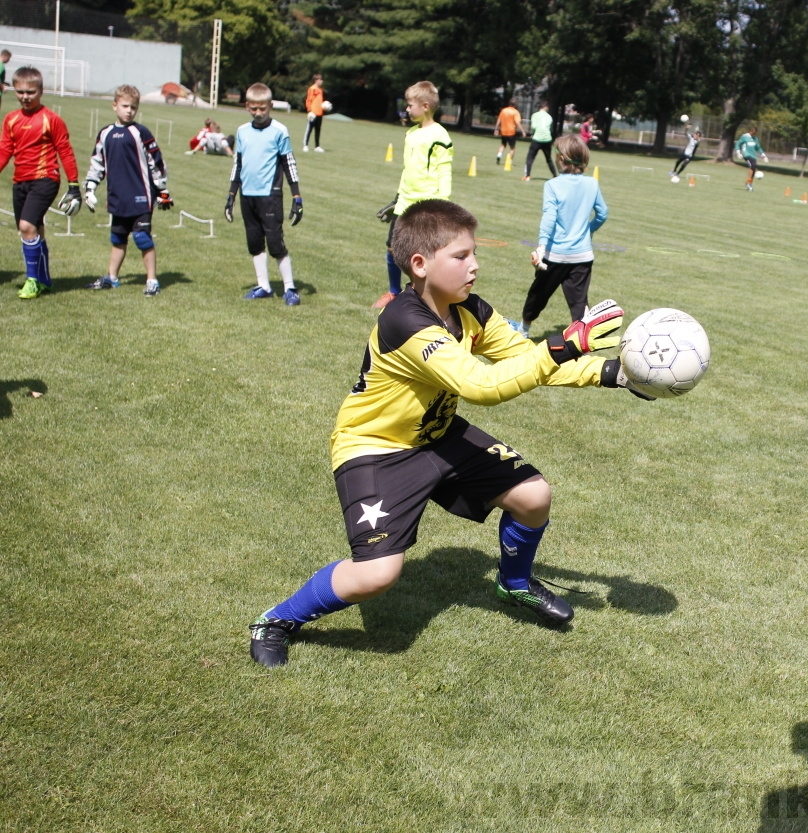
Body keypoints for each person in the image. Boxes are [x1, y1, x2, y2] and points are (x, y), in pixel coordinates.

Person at [247, 199, 654, 667]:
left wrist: (610, 373)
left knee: (533, 495)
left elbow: (524, 359)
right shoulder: (404, 321)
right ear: (419, 265)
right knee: (377, 574)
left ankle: (515, 583)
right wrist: (562, 345)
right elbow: (481, 385)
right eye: (461, 256)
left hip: (437, 434)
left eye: (473, 253)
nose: (475, 265)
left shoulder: (470, 310)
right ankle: (275, 620)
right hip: (376, 449)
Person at [508, 134, 608, 338]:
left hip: (554, 255)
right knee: (579, 302)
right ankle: (584, 344)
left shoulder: (552, 185)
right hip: (582, 257)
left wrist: (541, 246)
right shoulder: (592, 184)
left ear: (561, 159)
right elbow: (603, 213)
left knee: (538, 295)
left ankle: (524, 330)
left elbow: (549, 216)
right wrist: (588, 230)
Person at [82, 84, 173, 297]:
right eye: (125, 106)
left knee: (142, 238)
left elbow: (157, 162)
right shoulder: (105, 133)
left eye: (133, 107)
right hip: (118, 197)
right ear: (115, 106)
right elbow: (97, 163)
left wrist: (163, 191)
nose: (129, 110)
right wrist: (90, 188)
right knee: (118, 239)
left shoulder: (140, 132)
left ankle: (152, 280)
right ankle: (111, 277)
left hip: (141, 196)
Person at [0, 66, 81, 300]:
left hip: (45, 178)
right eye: (20, 92)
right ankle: (44, 279)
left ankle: (32, 280)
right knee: (33, 229)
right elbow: (5, 150)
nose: (25, 97)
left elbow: (65, 152)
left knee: (27, 226)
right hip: (20, 182)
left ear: (41, 91)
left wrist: (73, 184)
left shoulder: (51, 120)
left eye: (31, 92)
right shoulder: (11, 119)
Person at [374, 80, 453, 310]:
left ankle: (424, 297)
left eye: (410, 105)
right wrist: (397, 198)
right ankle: (393, 292)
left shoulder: (440, 135)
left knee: (422, 255)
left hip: (427, 205)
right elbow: (407, 170)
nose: (407, 110)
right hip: (405, 203)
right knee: (392, 248)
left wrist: (442, 205)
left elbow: (444, 171)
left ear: (425, 105)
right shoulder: (410, 133)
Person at [225, 82, 304, 306]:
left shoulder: (279, 131)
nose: (258, 113)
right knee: (254, 243)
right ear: (247, 106)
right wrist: (231, 194)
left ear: (270, 106)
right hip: (247, 194)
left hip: (270, 195)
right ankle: (264, 286)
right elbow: (237, 164)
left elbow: (289, 164)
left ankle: (290, 288)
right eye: (253, 108)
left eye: (263, 108)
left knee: (275, 243)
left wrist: (296, 196)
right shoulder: (242, 132)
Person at [522, 100, 557, 182]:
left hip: (537, 139)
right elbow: (550, 129)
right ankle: (555, 176)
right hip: (547, 139)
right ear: (546, 107)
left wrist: (533, 133)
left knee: (530, 158)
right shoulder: (549, 117)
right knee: (549, 159)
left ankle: (527, 176)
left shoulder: (535, 115)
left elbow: (534, 127)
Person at [734, 127, 767, 191]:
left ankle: (749, 183)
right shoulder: (744, 136)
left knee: (754, 168)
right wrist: (738, 152)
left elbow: (758, 147)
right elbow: (738, 144)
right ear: (751, 131)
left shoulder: (755, 138)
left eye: (755, 133)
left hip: (753, 156)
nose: (754, 134)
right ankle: (748, 183)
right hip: (746, 154)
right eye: (754, 133)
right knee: (752, 166)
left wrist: (764, 156)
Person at [494, 98, 523, 166]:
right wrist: (522, 130)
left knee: (503, 145)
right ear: (515, 105)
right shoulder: (515, 112)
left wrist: (496, 129)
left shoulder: (503, 110)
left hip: (503, 131)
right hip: (511, 132)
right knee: (512, 148)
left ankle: (499, 154)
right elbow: (517, 122)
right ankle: (509, 161)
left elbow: (499, 120)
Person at [303, 74, 326, 153]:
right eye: (320, 79)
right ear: (316, 80)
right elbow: (308, 100)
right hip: (313, 112)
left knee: (318, 130)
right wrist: (309, 110)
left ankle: (317, 146)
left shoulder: (320, 90)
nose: (321, 81)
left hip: (320, 113)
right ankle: (305, 145)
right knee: (309, 129)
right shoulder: (312, 88)